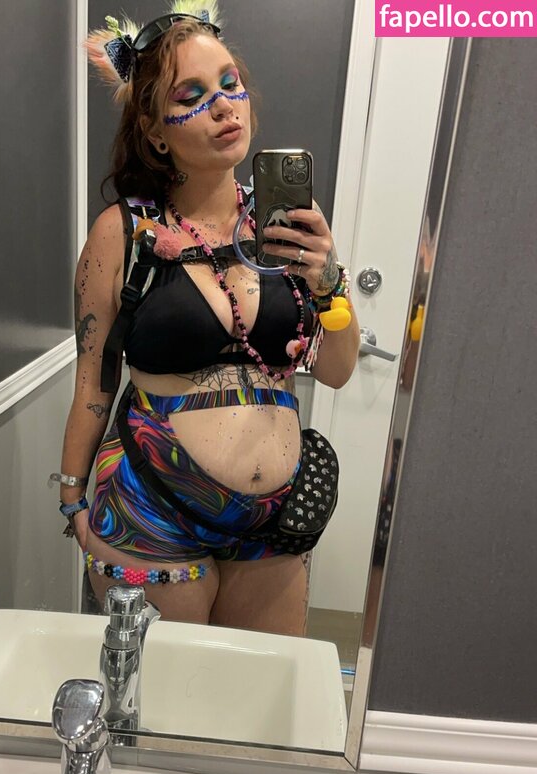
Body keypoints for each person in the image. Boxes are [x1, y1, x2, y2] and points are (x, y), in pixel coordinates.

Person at [57, 1, 361, 636]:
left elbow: (336, 371)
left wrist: (329, 280)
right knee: (163, 693)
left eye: (231, 84)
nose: (225, 107)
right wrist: (71, 498)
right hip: (149, 506)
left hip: (272, 520)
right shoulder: (123, 232)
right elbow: (93, 381)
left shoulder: (285, 229)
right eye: (192, 95)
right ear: (155, 131)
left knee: (260, 694)